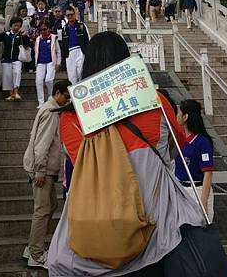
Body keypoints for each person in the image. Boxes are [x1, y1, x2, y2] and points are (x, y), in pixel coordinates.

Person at [48, 32, 205, 277]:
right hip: (157, 232)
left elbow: (81, 165)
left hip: (94, 237)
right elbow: (176, 147)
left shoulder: (71, 118)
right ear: (126, 61)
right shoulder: (156, 100)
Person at [23, 79, 72, 270]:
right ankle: (35, 253)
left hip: (46, 169)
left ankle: (32, 247)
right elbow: (41, 145)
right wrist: (40, 171)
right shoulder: (51, 113)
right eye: (66, 97)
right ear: (58, 93)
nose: (67, 101)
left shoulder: (49, 109)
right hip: (42, 170)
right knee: (42, 210)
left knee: (50, 206)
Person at [175, 99, 214, 222]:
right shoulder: (179, 138)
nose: (176, 116)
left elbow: (208, 172)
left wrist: (203, 202)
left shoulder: (202, 142)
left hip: (197, 190)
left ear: (185, 117)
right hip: (181, 190)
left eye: (179, 113)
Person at [0, 16, 31, 100]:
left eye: (18, 25)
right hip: (6, 59)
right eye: (15, 25)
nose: (16, 27)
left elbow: (28, 45)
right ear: (11, 25)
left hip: (17, 59)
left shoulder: (21, 35)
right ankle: (11, 94)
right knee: (7, 76)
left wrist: (25, 36)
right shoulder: (6, 34)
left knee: (17, 73)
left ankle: (16, 92)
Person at [34, 20, 62, 108]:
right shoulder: (38, 39)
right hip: (40, 62)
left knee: (49, 80)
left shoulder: (54, 38)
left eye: (44, 29)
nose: (43, 31)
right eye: (41, 30)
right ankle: (41, 102)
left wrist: (58, 63)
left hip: (51, 61)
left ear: (48, 29)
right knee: (38, 81)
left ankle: (50, 99)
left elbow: (58, 51)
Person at [61, 6, 90, 85]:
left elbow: (87, 39)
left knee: (81, 74)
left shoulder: (81, 25)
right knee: (71, 77)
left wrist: (86, 52)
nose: (70, 16)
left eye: (71, 14)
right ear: (66, 16)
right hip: (69, 53)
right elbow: (63, 43)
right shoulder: (64, 29)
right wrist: (64, 55)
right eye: (68, 15)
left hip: (80, 51)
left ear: (74, 14)